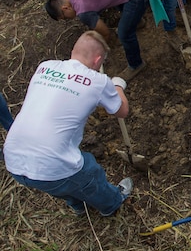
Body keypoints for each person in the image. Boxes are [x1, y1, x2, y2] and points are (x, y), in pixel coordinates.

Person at [4, 31, 133, 217]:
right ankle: (112, 203)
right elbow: (122, 111)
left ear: (74, 50)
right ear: (98, 61)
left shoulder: (45, 66)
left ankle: (78, 206)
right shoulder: (98, 81)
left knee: (59, 182)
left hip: (14, 160)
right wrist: (117, 86)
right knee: (88, 173)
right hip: (52, 163)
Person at [45, 0, 151, 81]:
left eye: (65, 17)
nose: (69, 19)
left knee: (124, 34)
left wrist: (101, 49)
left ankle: (136, 65)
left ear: (65, 8)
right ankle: (136, 22)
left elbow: (105, 33)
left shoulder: (83, 11)